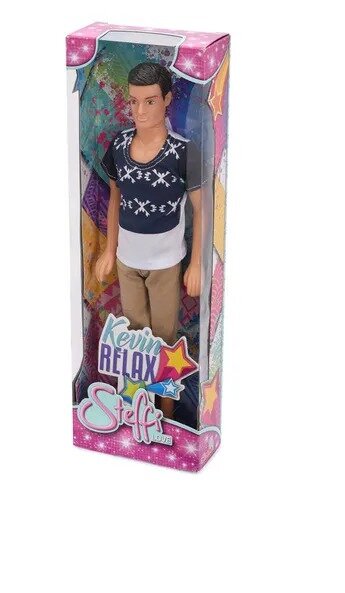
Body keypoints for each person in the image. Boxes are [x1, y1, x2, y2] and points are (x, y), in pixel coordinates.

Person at [95, 61, 206, 419]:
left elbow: (202, 209)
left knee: (165, 340)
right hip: (127, 260)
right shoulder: (120, 145)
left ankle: (168, 414)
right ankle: (137, 409)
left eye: (150, 101)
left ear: (167, 99)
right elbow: (115, 198)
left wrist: (196, 264)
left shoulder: (182, 152)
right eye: (134, 101)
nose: (140, 111)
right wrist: (109, 250)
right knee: (135, 339)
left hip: (165, 263)